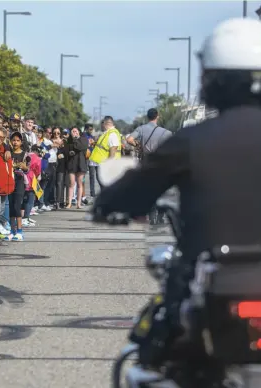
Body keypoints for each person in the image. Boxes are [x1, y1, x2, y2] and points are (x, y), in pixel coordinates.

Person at [92, 18, 261, 263]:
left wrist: (106, 204)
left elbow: (134, 190)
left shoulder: (192, 140)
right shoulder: (185, 139)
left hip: (207, 270)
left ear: (210, 79)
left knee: (170, 294)